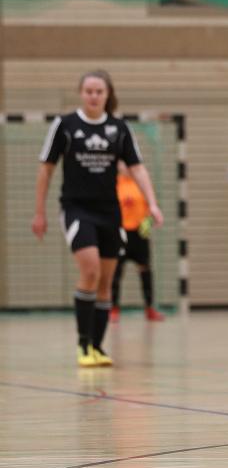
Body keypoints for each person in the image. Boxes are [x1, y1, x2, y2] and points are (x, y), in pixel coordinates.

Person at [32, 70, 164, 367]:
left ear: (107, 94)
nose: (93, 96)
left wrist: (152, 204)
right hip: (77, 208)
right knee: (89, 269)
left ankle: (97, 347)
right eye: (88, 91)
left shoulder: (119, 129)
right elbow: (46, 169)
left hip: (109, 212)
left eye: (99, 91)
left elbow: (138, 168)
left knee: (105, 281)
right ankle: (82, 345)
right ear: (81, 93)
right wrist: (39, 212)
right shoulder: (65, 125)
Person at [110, 161, 166, 322]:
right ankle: (113, 308)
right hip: (120, 233)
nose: (126, 167)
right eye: (122, 163)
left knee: (145, 269)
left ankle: (149, 308)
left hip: (139, 234)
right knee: (116, 271)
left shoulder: (141, 184)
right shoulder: (115, 184)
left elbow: (149, 207)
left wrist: (148, 222)